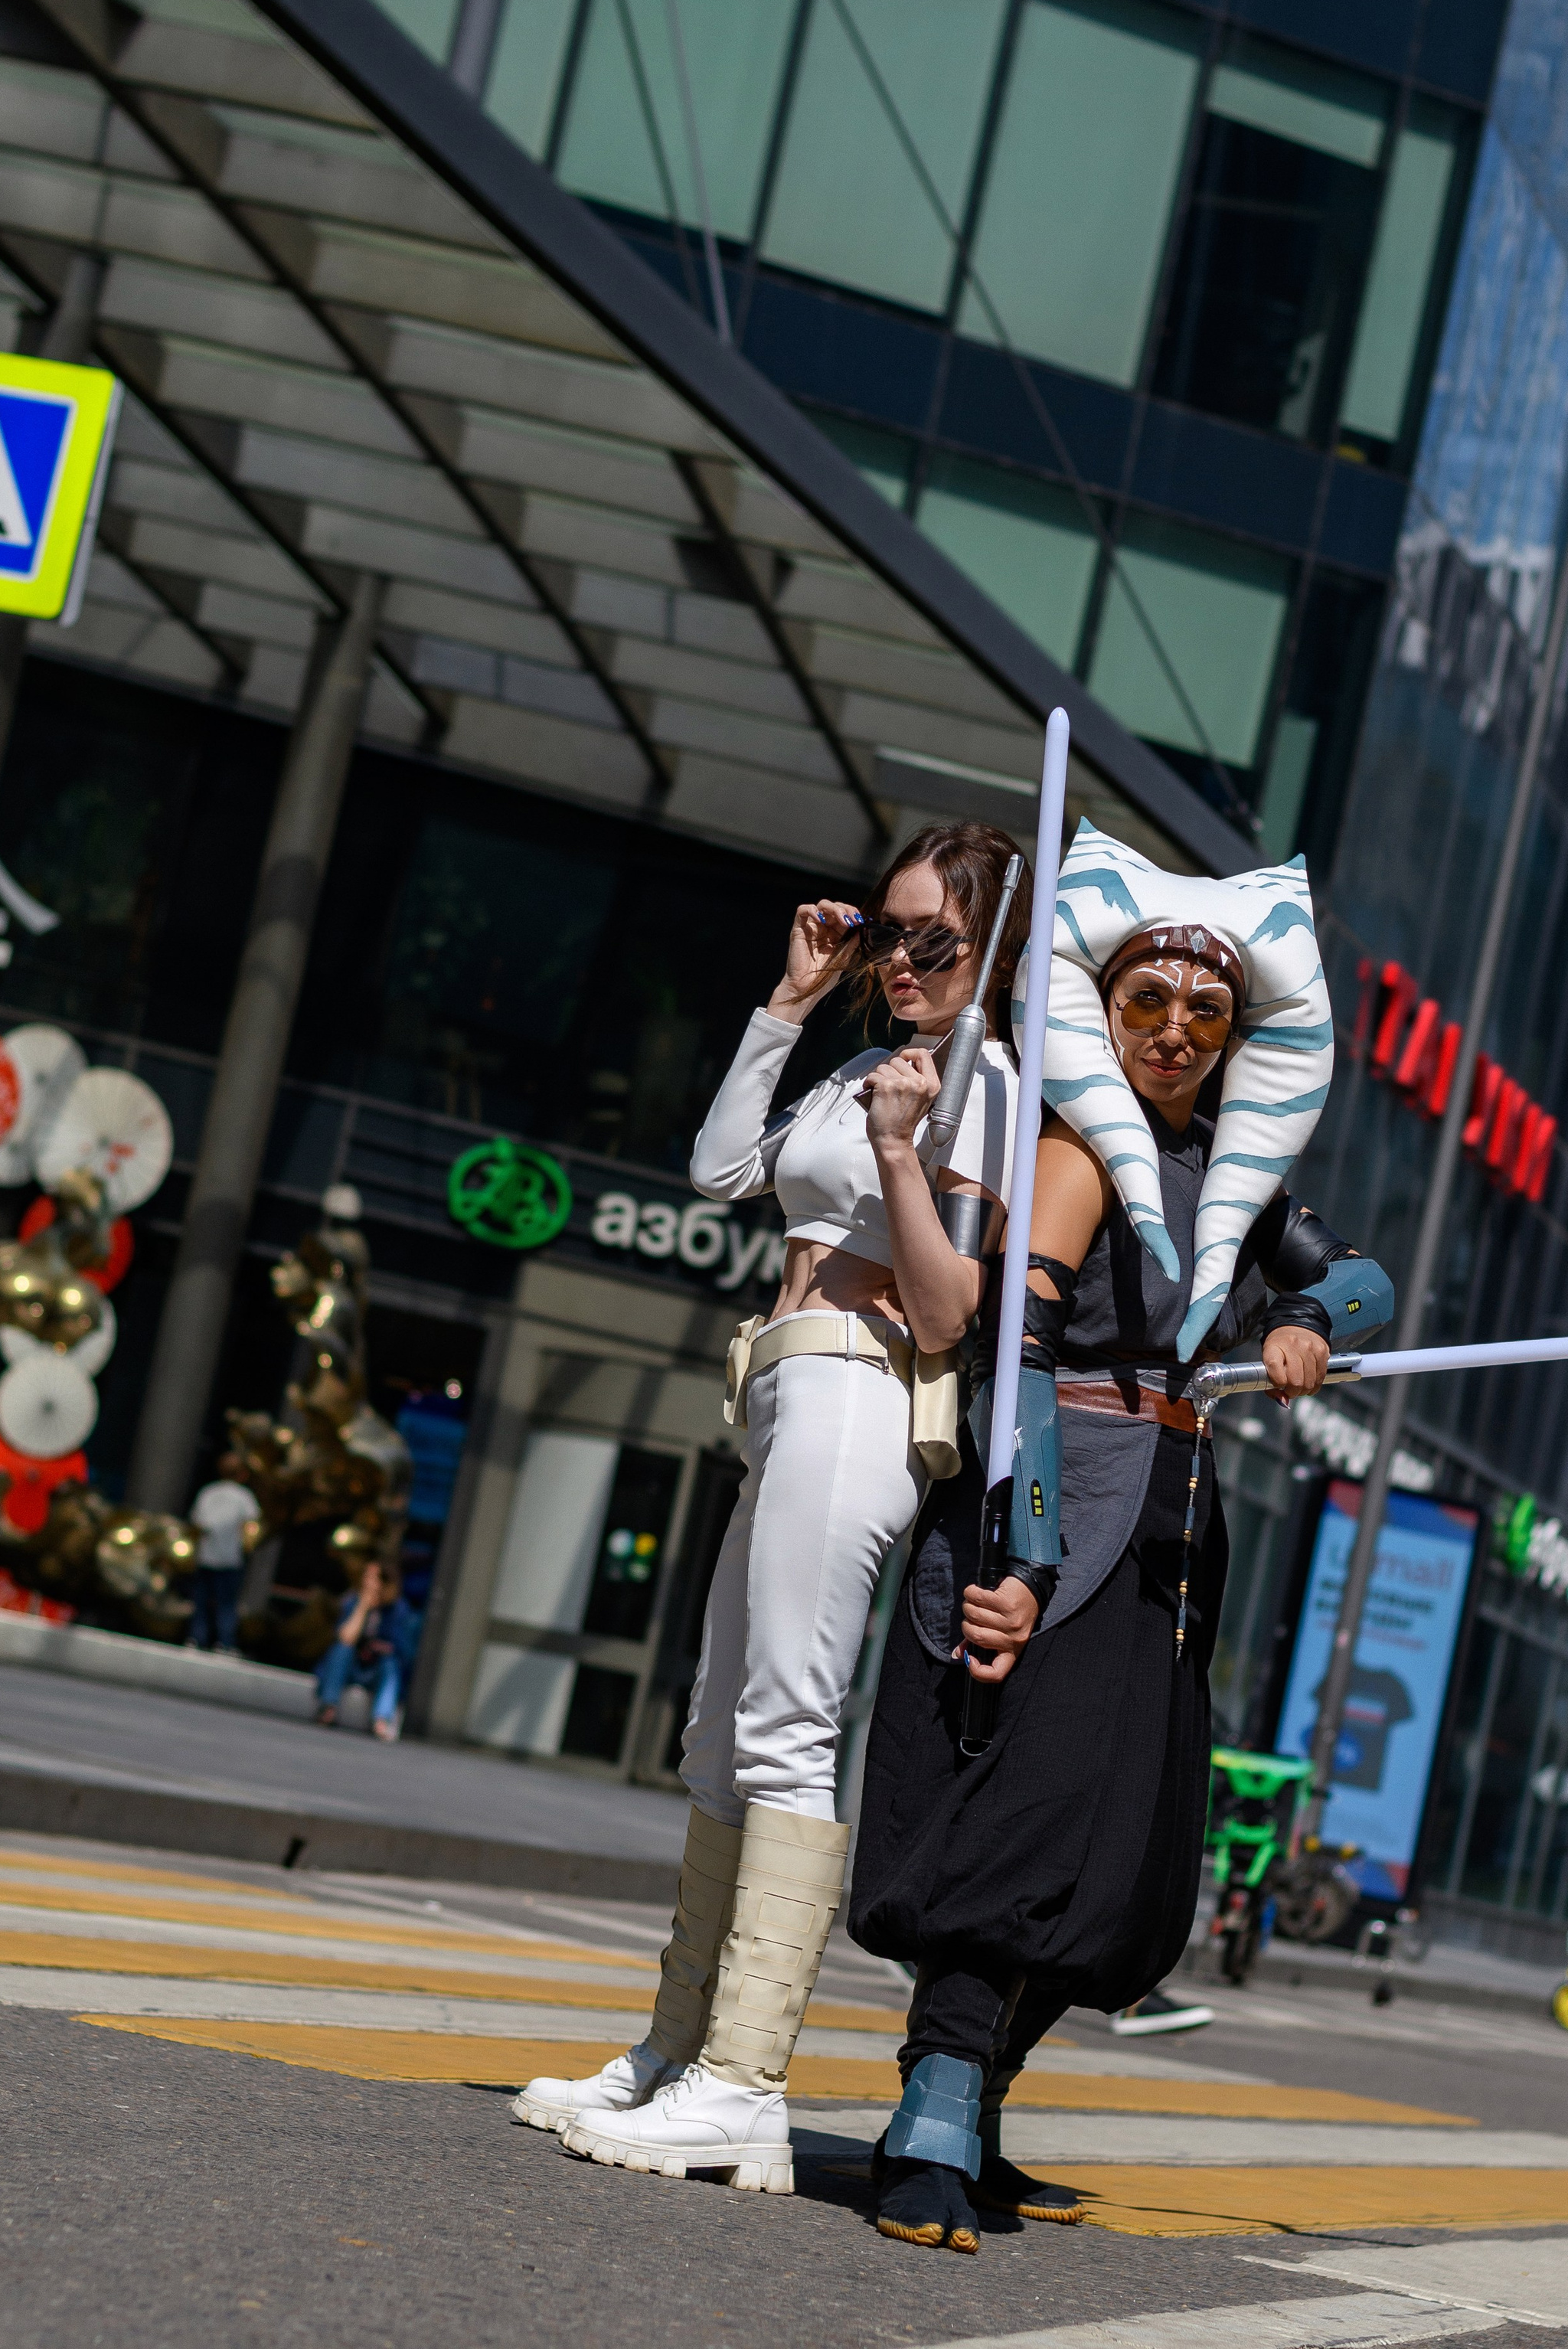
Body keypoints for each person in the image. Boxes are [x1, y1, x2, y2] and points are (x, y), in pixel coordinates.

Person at [848, 824, 1390, 2250]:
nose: (1173, 1032)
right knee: (1019, 1819)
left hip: (1170, 1524)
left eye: (1205, 1011)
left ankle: (981, 2106)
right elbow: (1016, 1359)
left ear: (1239, 1033)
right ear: (1105, 1008)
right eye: (1146, 1001)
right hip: (1061, 1498)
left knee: (1121, 1852)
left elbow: (1365, 1277)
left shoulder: (1237, 1176)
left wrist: (1306, 1318)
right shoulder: (1079, 1150)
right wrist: (1025, 1563)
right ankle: (933, 2111)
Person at [516, 822, 1029, 2195]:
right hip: (786, 1388)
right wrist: (791, 1003)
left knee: (790, 1724)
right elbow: (717, 1169)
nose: (902, 958)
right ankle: (676, 2053)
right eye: (888, 931)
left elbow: (948, 1311)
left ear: (994, 950)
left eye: (935, 939)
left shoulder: (987, 1086)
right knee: (718, 1733)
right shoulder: (867, 1060)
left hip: (865, 1390)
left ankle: (745, 2082)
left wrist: (905, 1147)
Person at [314, 1561, 416, 1740]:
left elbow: (402, 1652)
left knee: (390, 1665)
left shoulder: (398, 1610)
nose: (368, 1583)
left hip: (376, 1670)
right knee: (341, 1650)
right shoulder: (353, 1601)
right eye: (367, 1577)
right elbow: (346, 1637)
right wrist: (363, 1606)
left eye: (374, 1579)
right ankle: (328, 1707)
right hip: (352, 1667)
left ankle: (382, 1719)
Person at [187, 1467, 260, 1653]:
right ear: (242, 1475)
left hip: (205, 1556)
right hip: (230, 1559)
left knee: (201, 1602)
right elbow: (252, 1524)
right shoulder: (243, 1496)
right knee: (227, 1604)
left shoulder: (208, 1492)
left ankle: (196, 1639)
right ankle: (224, 1643)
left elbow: (197, 1521)